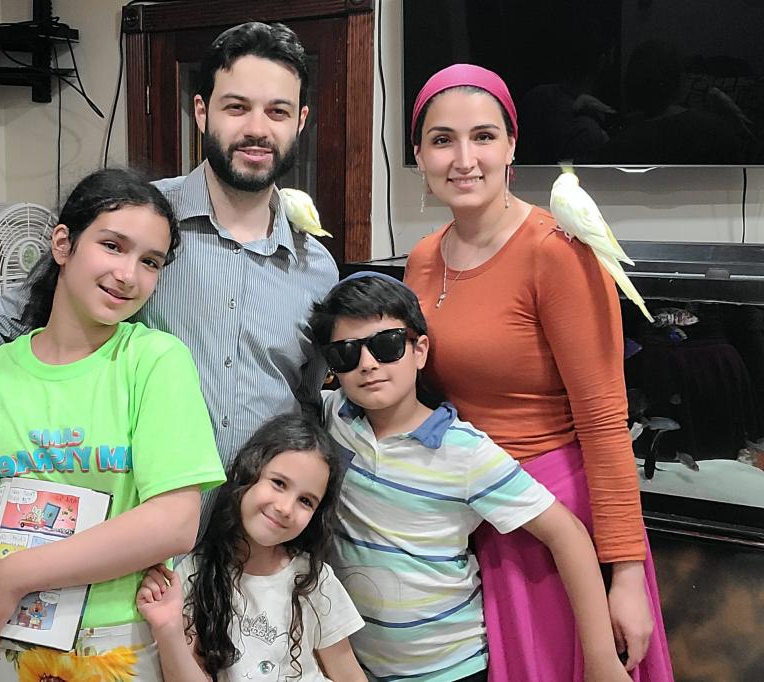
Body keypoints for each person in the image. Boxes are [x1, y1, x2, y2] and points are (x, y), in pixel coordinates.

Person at [0, 21, 338, 483]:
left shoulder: (317, 269)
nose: (257, 129)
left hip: (255, 536)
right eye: (236, 107)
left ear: (300, 120)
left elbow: (305, 402)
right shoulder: (135, 223)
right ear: (201, 113)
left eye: (277, 112)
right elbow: (12, 319)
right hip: (135, 525)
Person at [403, 64, 673, 681]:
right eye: (442, 140)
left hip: (555, 527)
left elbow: (605, 420)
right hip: (466, 517)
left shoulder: (556, 252)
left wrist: (625, 573)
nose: (463, 158)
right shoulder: (421, 260)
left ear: (512, 146)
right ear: (419, 154)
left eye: (483, 136)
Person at [0, 168, 226, 680]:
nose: (129, 275)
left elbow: (174, 523)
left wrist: (12, 576)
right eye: (113, 246)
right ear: (62, 244)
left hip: (116, 641)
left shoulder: (155, 362)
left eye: (150, 262)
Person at [309, 272, 631, 682]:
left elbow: (566, 534)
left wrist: (600, 658)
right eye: (346, 354)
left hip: (451, 669)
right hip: (358, 664)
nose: (368, 364)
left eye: (386, 346)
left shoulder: (464, 452)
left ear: (419, 349)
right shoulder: (334, 416)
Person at [136, 413, 366, 682]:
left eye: (306, 501)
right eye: (279, 483)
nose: (285, 508)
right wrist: (168, 629)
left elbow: (348, 673)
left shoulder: (315, 579)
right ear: (247, 471)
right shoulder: (194, 573)